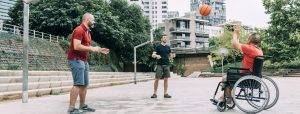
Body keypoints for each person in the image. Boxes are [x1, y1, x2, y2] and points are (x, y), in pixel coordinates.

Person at [67, 13, 110, 114]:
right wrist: (91, 48)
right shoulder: (79, 30)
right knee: (78, 84)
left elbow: (87, 47)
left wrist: (99, 50)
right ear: (87, 19)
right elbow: (76, 46)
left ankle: (82, 105)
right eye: (93, 20)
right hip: (76, 59)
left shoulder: (87, 32)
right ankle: (71, 108)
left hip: (83, 60)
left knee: (84, 84)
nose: (94, 22)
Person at [218, 25, 263, 103]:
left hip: (246, 76)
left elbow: (235, 44)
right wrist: (236, 40)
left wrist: (235, 33)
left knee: (225, 78)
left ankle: (228, 99)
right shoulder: (259, 50)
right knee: (230, 78)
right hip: (254, 76)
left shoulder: (249, 48)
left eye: (247, 38)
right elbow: (238, 46)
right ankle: (224, 97)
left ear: (249, 39)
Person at [151, 34, 175, 98]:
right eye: (164, 38)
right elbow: (153, 55)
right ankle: (155, 93)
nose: (165, 39)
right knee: (157, 79)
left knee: (166, 79)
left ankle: (165, 93)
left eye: (166, 38)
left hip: (167, 65)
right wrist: (156, 56)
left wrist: (172, 56)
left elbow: (170, 55)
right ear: (161, 39)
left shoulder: (168, 47)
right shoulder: (158, 47)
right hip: (159, 65)